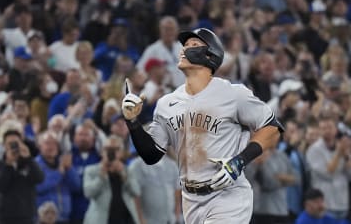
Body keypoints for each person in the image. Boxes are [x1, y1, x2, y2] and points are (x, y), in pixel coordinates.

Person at [121, 28, 284, 223]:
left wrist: (240, 161)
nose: (184, 49)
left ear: (210, 55)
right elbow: (151, 155)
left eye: (193, 45)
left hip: (228, 195)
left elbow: (272, 128)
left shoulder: (233, 93)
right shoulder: (166, 103)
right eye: (185, 45)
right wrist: (132, 122)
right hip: (190, 198)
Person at [0, 129, 44, 224]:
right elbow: (0, 186)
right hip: (5, 218)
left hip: (27, 217)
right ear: (4, 145)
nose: (13, 146)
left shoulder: (28, 163)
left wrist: (29, 159)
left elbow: (39, 178)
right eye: (10, 143)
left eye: (16, 143)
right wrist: (8, 164)